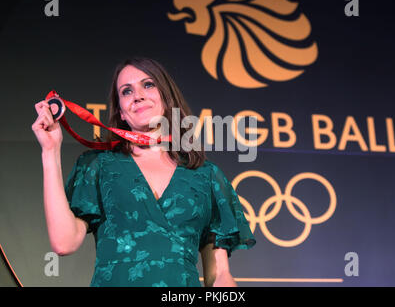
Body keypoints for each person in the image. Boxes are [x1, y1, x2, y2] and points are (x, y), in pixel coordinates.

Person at [31, 57, 256, 287]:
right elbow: (64, 243)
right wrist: (50, 150)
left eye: (148, 85)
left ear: (167, 98)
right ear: (121, 111)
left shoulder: (206, 175)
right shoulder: (98, 165)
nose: (137, 95)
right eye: (126, 91)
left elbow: (218, 276)